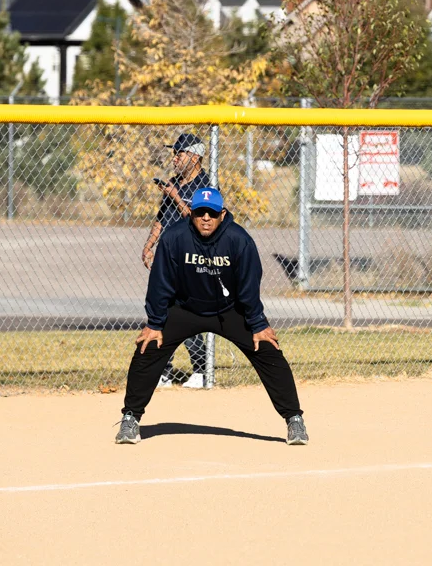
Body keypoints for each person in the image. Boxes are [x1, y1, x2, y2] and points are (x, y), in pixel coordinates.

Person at [116, 187, 308, 446]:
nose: (206, 217)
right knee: (148, 346)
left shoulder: (239, 240)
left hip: (228, 310)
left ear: (222, 214)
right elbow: (161, 283)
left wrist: (258, 324)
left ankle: (294, 419)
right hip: (185, 308)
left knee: (267, 348)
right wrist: (155, 322)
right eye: (200, 212)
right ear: (191, 214)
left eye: (212, 213)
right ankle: (130, 418)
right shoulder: (174, 237)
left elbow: (249, 286)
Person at [140, 133, 213, 390]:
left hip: (191, 258)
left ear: (194, 157)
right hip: (167, 257)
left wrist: (175, 196)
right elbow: (162, 218)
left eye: (180, 153)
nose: (175, 158)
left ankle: (203, 370)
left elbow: (200, 221)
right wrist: (149, 246)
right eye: (175, 153)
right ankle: (164, 371)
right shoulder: (173, 183)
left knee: (187, 315)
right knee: (160, 311)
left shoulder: (206, 185)